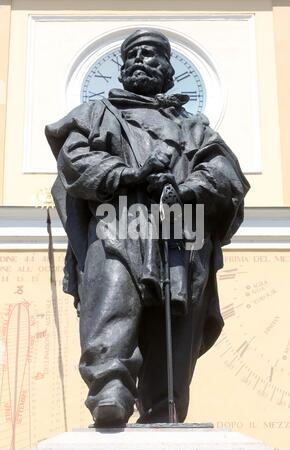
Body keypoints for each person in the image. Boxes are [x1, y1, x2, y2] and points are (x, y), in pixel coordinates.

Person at [45, 29, 250, 426]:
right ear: (122, 70)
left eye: (153, 56)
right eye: (134, 55)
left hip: (181, 225)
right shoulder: (97, 113)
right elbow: (75, 161)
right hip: (119, 218)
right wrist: (130, 174)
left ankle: (163, 404)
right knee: (114, 297)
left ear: (169, 71)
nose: (142, 60)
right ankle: (110, 389)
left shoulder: (195, 127)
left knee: (178, 318)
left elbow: (225, 173)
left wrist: (186, 188)